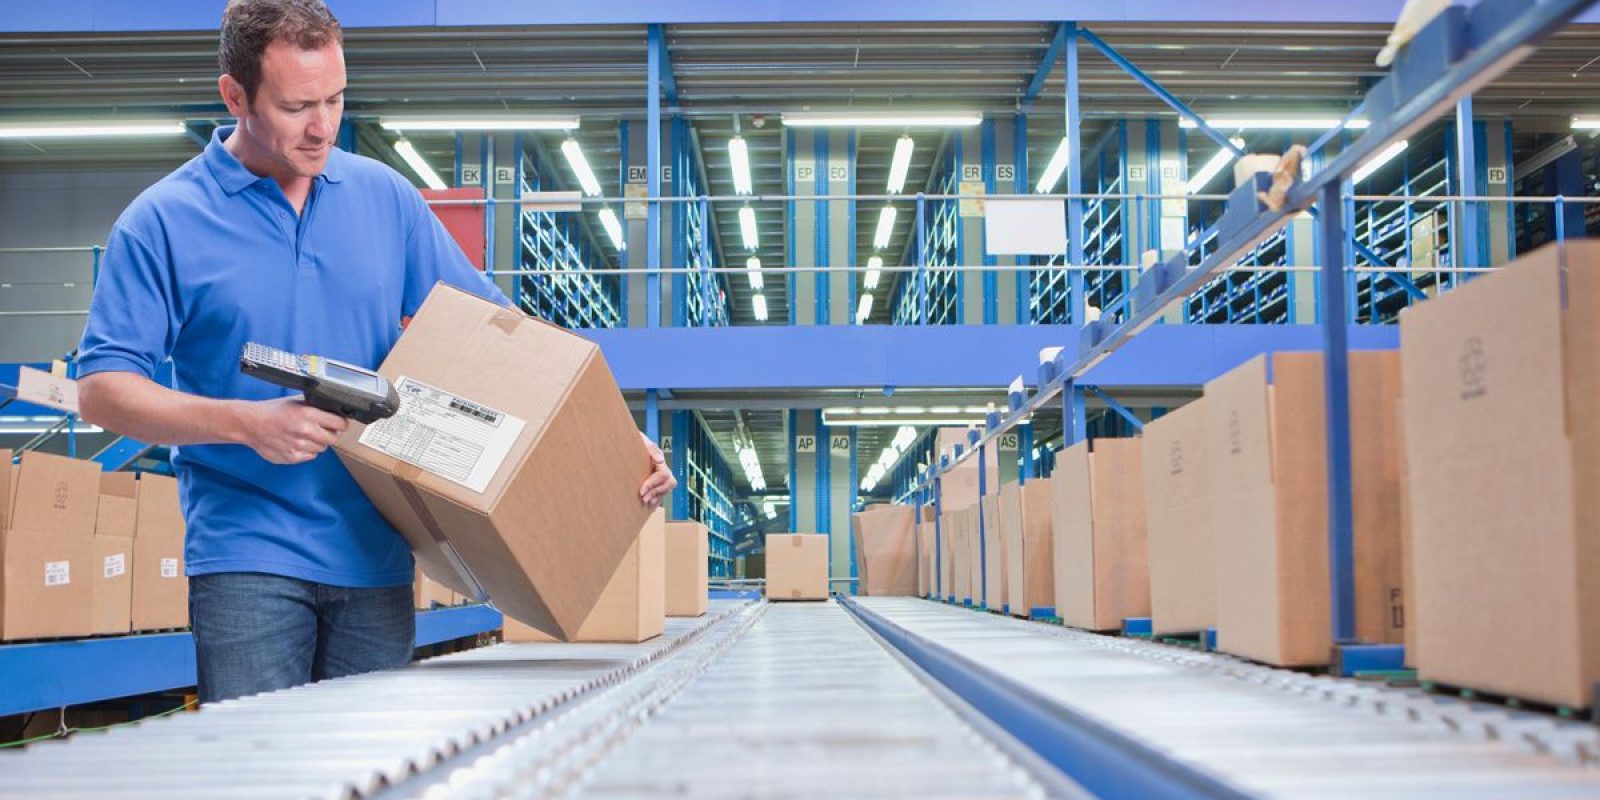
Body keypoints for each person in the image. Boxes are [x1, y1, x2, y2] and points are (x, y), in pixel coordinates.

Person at [76, 0, 675, 704]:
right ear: (235, 95)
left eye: (335, 98)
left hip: (378, 553)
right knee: (258, 770)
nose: (323, 125)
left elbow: (500, 333)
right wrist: (248, 424)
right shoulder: (162, 222)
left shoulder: (383, 199)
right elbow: (103, 388)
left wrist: (606, 438)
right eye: (298, 105)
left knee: (374, 772)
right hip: (248, 554)